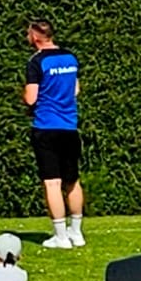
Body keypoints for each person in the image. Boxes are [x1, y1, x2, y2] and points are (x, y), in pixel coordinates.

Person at [24, 19, 84, 249]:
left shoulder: (36, 61)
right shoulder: (70, 57)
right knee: (72, 180)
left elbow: (31, 97)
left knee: (52, 183)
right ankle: (76, 233)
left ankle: (60, 236)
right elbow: (75, 89)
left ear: (37, 36)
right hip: (70, 126)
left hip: (46, 127)